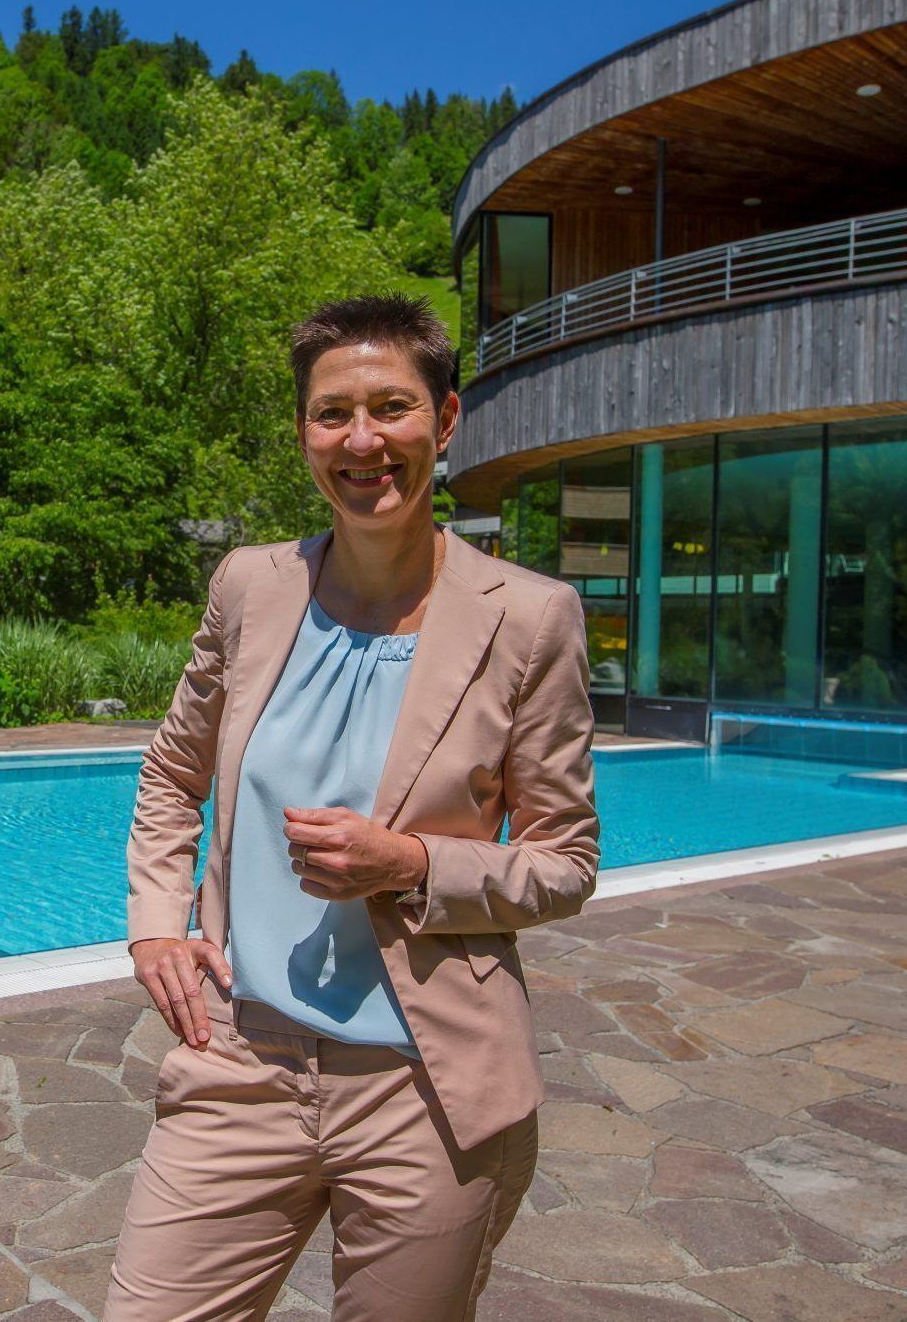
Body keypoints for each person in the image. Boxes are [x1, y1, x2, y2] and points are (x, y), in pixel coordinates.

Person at [106, 294, 600, 1321]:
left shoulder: (530, 618)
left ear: (445, 419)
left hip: (426, 1088)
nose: (362, 440)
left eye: (391, 408)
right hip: (240, 1061)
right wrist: (155, 922)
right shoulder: (250, 586)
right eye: (333, 414)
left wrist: (410, 865)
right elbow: (171, 774)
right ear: (303, 434)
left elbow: (564, 862)